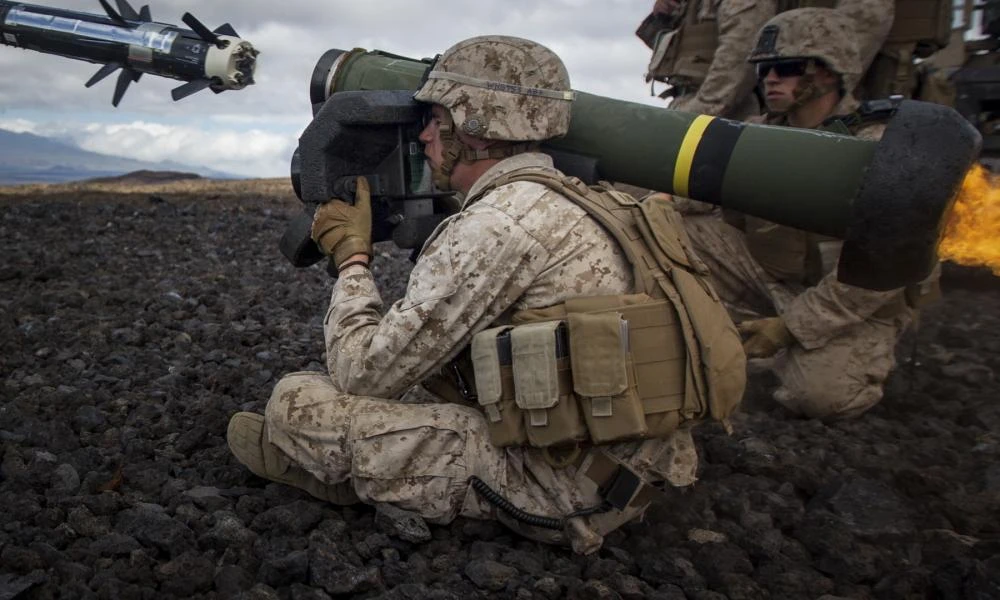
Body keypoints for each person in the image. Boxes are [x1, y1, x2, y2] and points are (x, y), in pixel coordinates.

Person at [226, 35, 745, 555]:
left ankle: (354, 478)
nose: (425, 135)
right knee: (420, 379)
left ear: (473, 127)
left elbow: (363, 371)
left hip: (562, 487)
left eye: (436, 118)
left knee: (298, 402)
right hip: (631, 462)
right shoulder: (583, 197)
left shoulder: (500, 223)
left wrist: (353, 258)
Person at [677, 8, 940, 420]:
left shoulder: (880, 147)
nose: (771, 79)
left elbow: (882, 269)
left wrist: (790, 328)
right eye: (764, 70)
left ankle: (785, 353)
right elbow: (699, 196)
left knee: (820, 397)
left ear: (830, 73)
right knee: (672, 231)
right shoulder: (757, 132)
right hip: (773, 278)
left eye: (787, 67)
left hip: (848, 302)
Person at [637, 0, 778, 119]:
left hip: (725, 114)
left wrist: (696, 113)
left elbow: (739, 60)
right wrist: (663, 16)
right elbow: (678, 54)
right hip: (691, 103)